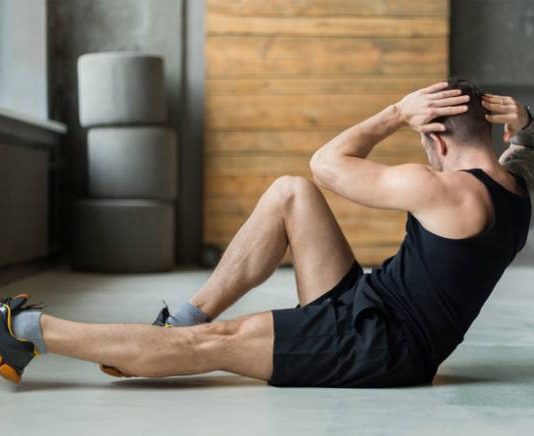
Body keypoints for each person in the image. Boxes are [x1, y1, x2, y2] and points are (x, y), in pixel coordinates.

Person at [1, 80, 532, 387]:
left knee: (218, 343)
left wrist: (395, 113)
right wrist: (526, 127)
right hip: (371, 306)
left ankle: (23, 333)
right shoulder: (515, 188)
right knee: (290, 193)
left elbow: (328, 163)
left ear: (436, 138)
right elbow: (521, 154)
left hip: (378, 348)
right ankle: (180, 322)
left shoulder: (442, 189)